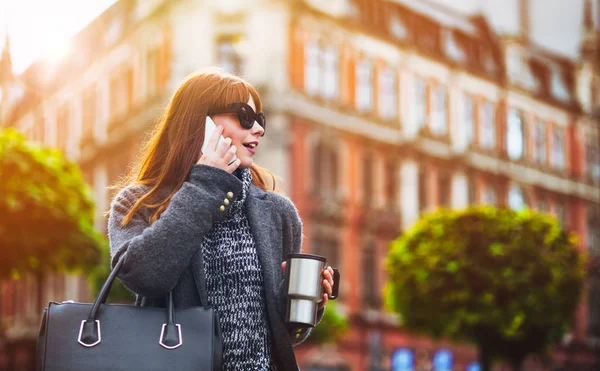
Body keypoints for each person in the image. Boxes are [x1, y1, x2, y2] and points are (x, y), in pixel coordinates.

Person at [107, 68, 335, 371]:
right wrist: (206, 184)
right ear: (200, 122)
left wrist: (307, 302)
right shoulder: (138, 203)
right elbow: (146, 277)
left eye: (260, 121)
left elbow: (287, 335)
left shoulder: (279, 213)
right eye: (244, 117)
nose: (258, 130)